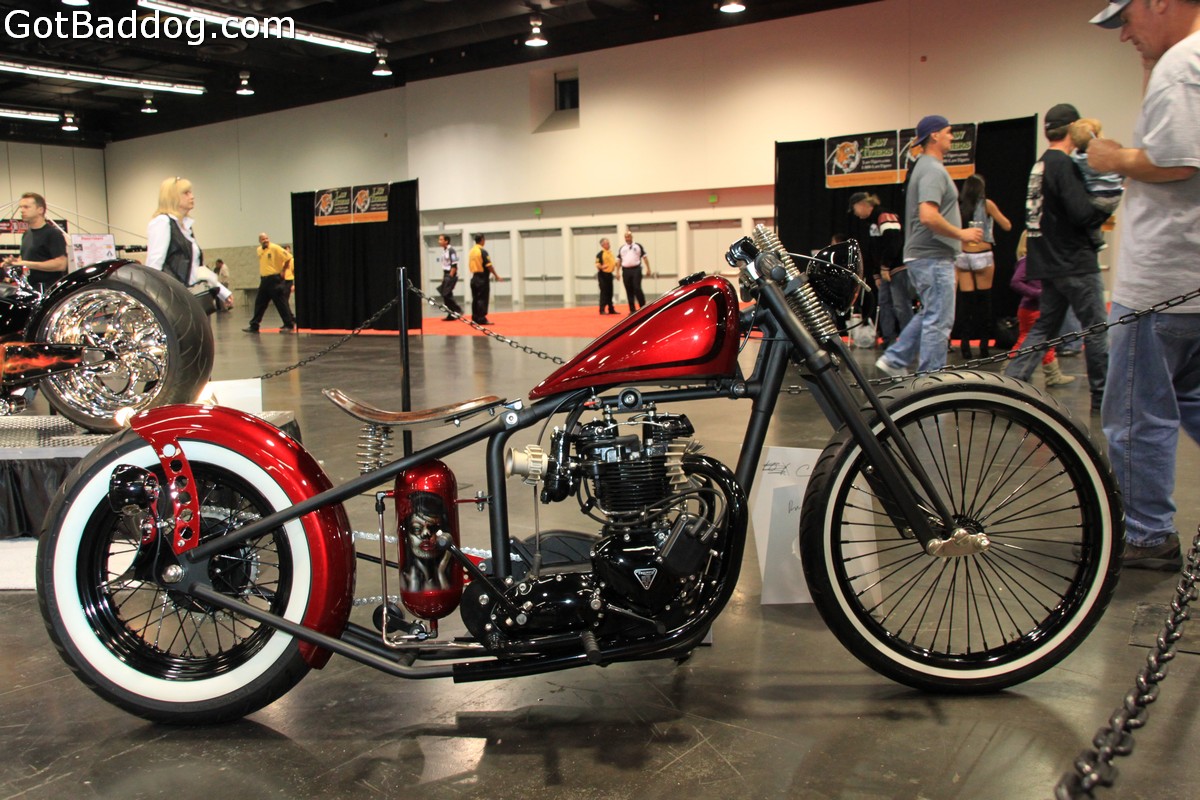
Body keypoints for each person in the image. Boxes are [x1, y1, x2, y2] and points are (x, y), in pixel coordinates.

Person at [1089, 0, 1200, 569]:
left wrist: (1113, 157)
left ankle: (1148, 535)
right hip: (1189, 282)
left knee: (1137, 415)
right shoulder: (1180, 63)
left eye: (1127, 18)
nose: (1123, 33)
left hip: (1162, 281)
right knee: (1191, 400)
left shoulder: (1184, 64)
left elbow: (1177, 161)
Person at [1003, 103, 1111, 409]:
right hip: (1074, 261)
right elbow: (1081, 213)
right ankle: (1102, 396)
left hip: (1048, 261)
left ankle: (1010, 385)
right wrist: (1104, 206)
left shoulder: (1039, 165)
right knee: (1096, 329)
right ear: (1074, 128)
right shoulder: (1063, 164)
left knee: (1044, 328)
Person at [876, 115, 983, 376]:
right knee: (939, 320)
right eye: (948, 132)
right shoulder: (932, 170)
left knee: (932, 313)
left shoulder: (925, 167)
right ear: (934, 135)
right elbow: (928, 215)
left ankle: (895, 359)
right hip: (932, 256)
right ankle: (931, 380)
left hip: (928, 256)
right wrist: (961, 234)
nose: (952, 137)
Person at [145, 177, 234, 310]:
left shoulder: (185, 227)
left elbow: (196, 270)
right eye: (186, 193)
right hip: (171, 301)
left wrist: (222, 292)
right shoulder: (162, 222)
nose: (192, 196)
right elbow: (153, 267)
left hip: (187, 298)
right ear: (173, 197)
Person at [954, 174, 1012, 359]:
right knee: (984, 301)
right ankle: (984, 346)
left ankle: (965, 346)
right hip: (982, 254)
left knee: (966, 303)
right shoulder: (987, 205)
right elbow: (1007, 225)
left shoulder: (959, 207)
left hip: (963, 255)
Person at [1009, 231, 1074, 387]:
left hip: (1034, 308)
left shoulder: (1037, 261)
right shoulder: (1028, 261)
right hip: (1032, 309)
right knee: (1027, 340)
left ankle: (1053, 375)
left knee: (1047, 341)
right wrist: (1038, 293)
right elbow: (1016, 282)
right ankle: (1010, 371)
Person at [850, 192, 907, 348]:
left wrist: (885, 266)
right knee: (884, 304)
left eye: (855, 209)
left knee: (900, 304)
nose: (855, 213)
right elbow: (875, 250)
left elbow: (894, 242)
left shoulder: (885, 216)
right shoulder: (873, 222)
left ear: (862, 205)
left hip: (896, 269)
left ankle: (909, 340)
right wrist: (877, 273)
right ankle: (888, 339)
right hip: (884, 271)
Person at [1068, 118, 1125, 250]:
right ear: (1096, 136)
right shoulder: (1108, 152)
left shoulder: (1077, 160)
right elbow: (1122, 167)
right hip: (1116, 194)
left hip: (1097, 198)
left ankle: (1097, 241)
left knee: (1088, 222)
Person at [2, 192, 67, 292]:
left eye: (26, 207)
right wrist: (15, 262)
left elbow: (61, 264)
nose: (22, 210)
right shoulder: (26, 234)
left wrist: (27, 263)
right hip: (30, 289)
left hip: (48, 290)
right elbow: (27, 258)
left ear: (40, 210)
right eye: (21, 207)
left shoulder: (53, 234)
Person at [244, 231, 297, 334]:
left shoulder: (275, 248)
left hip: (274, 279)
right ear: (260, 241)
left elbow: (288, 257)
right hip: (264, 280)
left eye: (266, 238)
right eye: (263, 239)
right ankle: (254, 325)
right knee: (260, 303)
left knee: (281, 302)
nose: (265, 240)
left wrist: (283, 270)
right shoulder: (259, 250)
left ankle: (289, 324)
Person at [467, 233, 500, 325]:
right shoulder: (482, 251)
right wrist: (496, 275)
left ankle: (475, 317)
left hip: (474, 277)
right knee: (482, 298)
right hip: (482, 278)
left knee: (475, 298)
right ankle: (481, 318)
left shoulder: (471, 251)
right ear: (482, 240)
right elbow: (489, 266)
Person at [617, 230, 650, 314]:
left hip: (636, 269)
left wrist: (648, 268)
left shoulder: (638, 246)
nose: (627, 238)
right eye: (626, 237)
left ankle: (643, 307)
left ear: (631, 237)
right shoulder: (622, 248)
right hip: (626, 270)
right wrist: (617, 272)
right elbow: (619, 260)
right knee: (628, 289)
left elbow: (645, 257)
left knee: (637, 287)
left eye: (629, 237)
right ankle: (632, 309)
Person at [436, 234, 463, 320]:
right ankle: (450, 314)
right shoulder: (444, 251)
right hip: (446, 274)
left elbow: (454, 264)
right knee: (445, 294)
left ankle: (457, 309)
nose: (439, 241)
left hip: (450, 274)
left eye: (441, 240)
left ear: (446, 241)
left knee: (446, 294)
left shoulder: (452, 251)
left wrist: (450, 277)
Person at [595, 237, 618, 315]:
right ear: (603, 245)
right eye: (607, 243)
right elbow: (597, 264)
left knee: (610, 292)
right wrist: (601, 267)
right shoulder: (600, 254)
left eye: (608, 243)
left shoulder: (610, 253)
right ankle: (602, 309)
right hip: (603, 275)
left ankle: (611, 309)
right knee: (604, 292)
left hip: (609, 274)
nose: (609, 244)